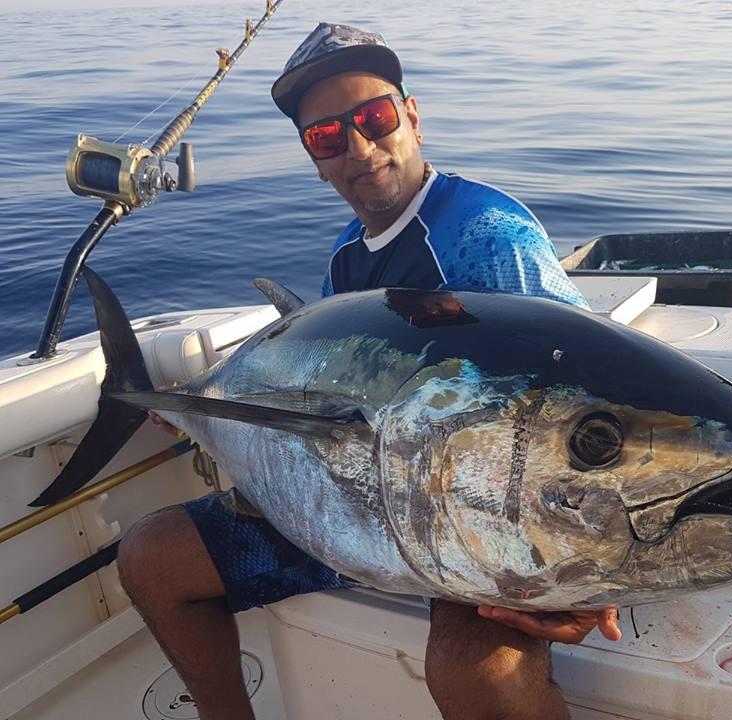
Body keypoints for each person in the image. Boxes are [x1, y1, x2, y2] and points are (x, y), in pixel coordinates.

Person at [121, 22, 621, 720]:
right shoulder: (346, 259)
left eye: (375, 118)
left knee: (476, 675)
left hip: (469, 523)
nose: (359, 148)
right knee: (151, 558)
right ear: (314, 158)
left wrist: (587, 577)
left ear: (411, 114)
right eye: (327, 138)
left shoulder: (488, 239)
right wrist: (199, 408)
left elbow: (579, 406)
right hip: (355, 507)